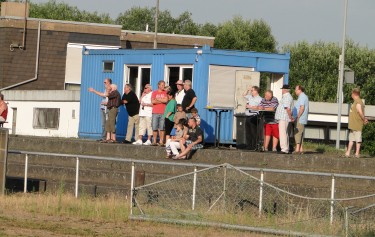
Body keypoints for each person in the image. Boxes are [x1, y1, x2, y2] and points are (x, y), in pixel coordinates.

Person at [345, 88, 368, 158]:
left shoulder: (358, 102)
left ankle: (357, 153)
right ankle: (348, 153)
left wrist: (364, 119)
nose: (351, 95)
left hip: (357, 124)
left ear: (354, 94)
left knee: (358, 139)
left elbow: (360, 112)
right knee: (351, 139)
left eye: (352, 94)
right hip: (353, 124)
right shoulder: (355, 102)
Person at [275, 85, 294, 154]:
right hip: (283, 117)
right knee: (285, 133)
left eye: (282, 89)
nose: (282, 90)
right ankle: (286, 148)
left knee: (283, 133)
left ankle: (284, 149)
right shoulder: (287, 97)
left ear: (285, 90)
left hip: (284, 117)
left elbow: (287, 108)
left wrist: (290, 117)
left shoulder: (287, 97)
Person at [243, 86, 262, 150]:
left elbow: (259, 108)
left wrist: (250, 107)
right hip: (248, 115)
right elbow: (243, 95)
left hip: (254, 116)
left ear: (256, 91)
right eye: (251, 90)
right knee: (248, 132)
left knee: (253, 132)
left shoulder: (259, 99)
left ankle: (254, 146)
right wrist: (247, 89)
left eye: (252, 90)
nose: (251, 92)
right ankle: (249, 146)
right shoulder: (250, 97)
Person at [293, 85, 309, 154]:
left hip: (300, 118)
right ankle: (300, 148)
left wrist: (298, 116)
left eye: (296, 89)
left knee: (298, 133)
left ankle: (297, 149)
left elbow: (302, 107)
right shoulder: (304, 96)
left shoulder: (302, 97)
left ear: (300, 90)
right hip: (302, 118)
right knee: (301, 133)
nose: (295, 91)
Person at [151, 80, 168, 146]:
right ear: (158, 85)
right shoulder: (154, 92)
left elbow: (166, 100)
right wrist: (162, 100)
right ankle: (154, 141)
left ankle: (161, 142)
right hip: (155, 112)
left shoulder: (165, 92)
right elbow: (153, 101)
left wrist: (157, 100)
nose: (163, 86)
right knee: (154, 127)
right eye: (162, 85)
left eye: (164, 85)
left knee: (162, 128)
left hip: (163, 112)